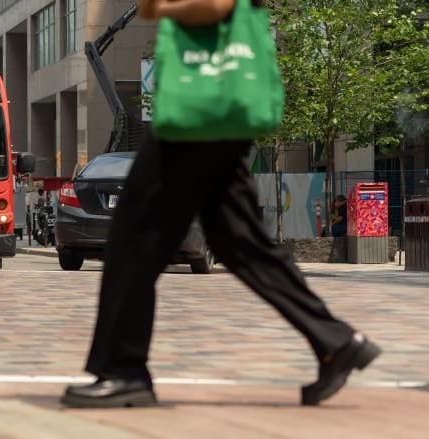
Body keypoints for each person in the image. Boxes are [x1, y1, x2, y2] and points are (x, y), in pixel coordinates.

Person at [61, 0, 380, 408]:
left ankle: (123, 369)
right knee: (238, 240)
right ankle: (335, 341)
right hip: (215, 107)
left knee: (135, 235)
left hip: (201, 112)